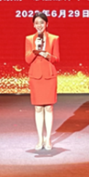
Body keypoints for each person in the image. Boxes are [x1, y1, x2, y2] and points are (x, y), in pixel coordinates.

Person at [25, 12, 60, 150]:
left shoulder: (54, 38)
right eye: (36, 23)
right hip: (36, 76)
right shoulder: (29, 39)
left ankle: (48, 139)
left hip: (49, 76)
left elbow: (57, 59)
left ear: (47, 24)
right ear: (33, 25)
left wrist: (48, 55)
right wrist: (36, 50)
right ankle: (40, 139)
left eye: (42, 22)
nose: (39, 25)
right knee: (38, 108)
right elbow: (27, 59)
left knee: (49, 108)